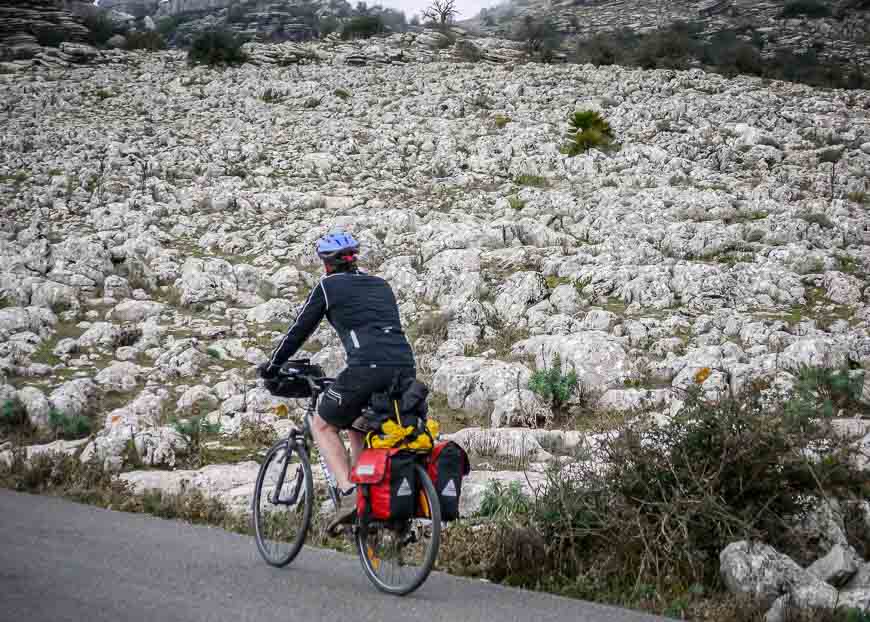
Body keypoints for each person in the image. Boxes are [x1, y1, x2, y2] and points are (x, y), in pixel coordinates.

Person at [258, 232, 416, 533]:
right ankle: (367, 491)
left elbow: (298, 331)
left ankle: (348, 493)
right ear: (354, 259)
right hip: (405, 368)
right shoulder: (381, 285)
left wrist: (273, 366)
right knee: (357, 423)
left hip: (366, 369)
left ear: (326, 264)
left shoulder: (327, 287)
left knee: (322, 424)